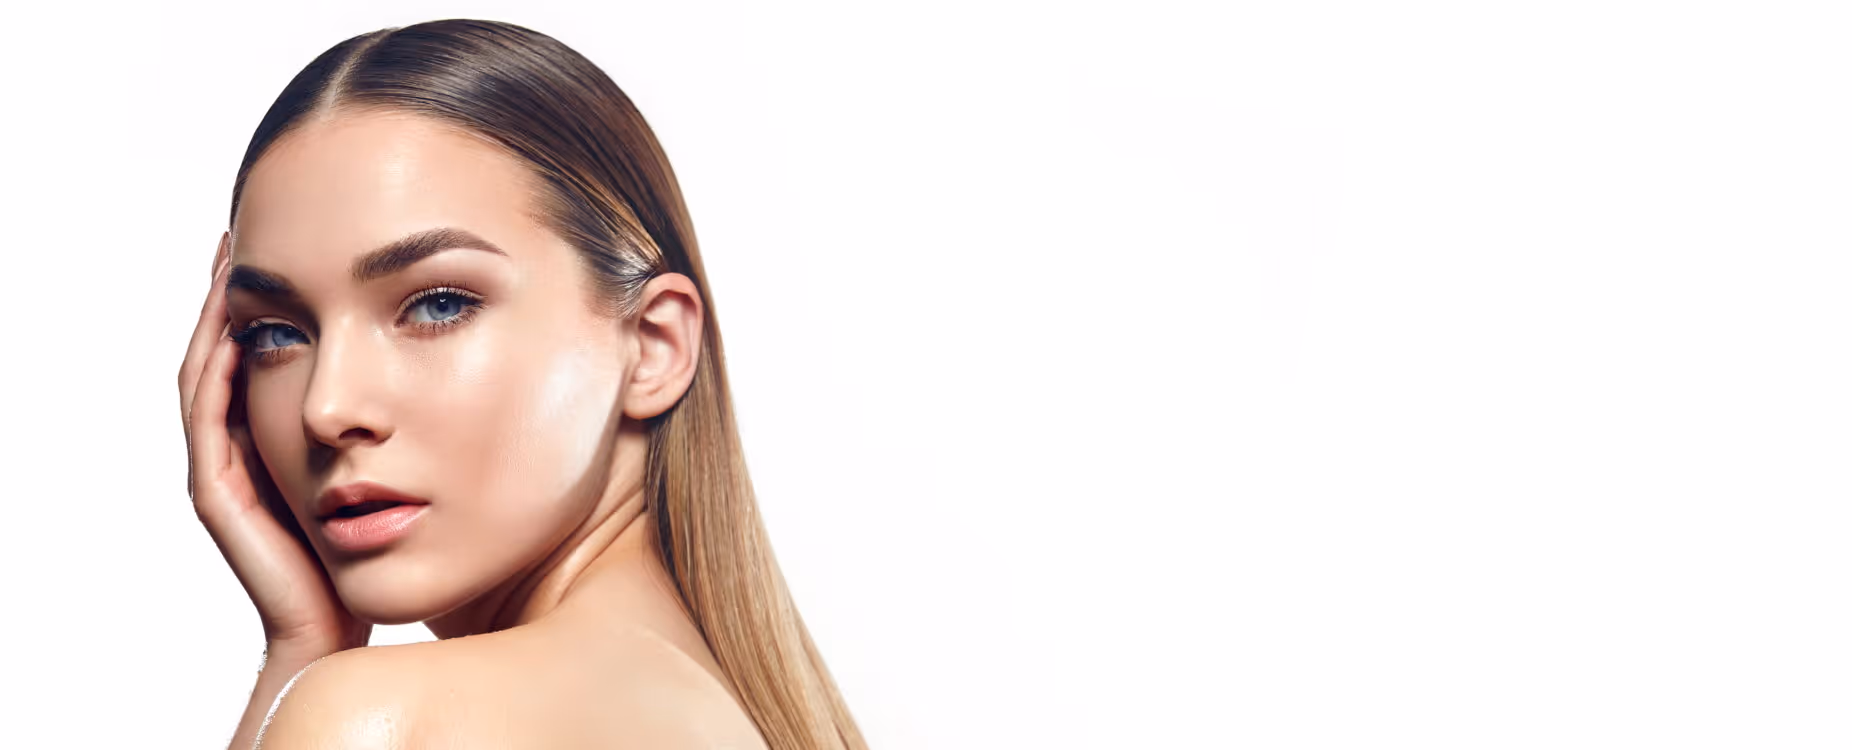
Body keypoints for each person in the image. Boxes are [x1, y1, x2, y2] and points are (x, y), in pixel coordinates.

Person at [175, 18, 865, 749]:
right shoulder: (724, 711)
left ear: (653, 346)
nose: (326, 407)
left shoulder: (386, 721)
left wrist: (304, 673)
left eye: (438, 305)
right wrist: (303, 644)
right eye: (275, 333)